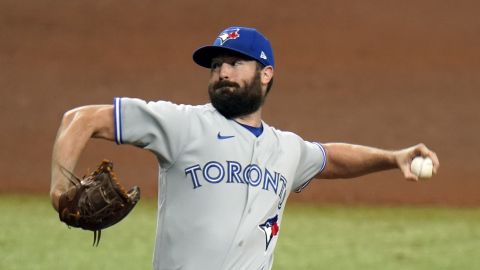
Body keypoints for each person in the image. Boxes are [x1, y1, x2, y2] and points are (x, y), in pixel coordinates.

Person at [50, 26, 440, 270]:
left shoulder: (285, 148)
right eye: (217, 64)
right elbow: (80, 119)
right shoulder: (183, 124)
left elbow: (330, 158)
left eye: (236, 63)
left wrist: (393, 158)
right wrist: (57, 190)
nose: (222, 72)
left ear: (266, 74)